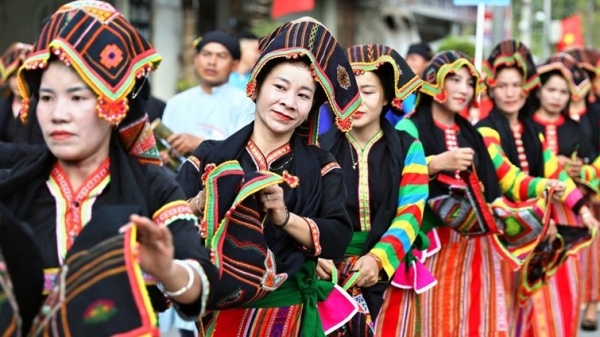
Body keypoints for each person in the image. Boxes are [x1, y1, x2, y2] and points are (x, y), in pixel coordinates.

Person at [0, 1, 217, 335]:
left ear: (112, 103)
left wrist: (168, 270)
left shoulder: (153, 188)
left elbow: (199, 284)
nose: (59, 113)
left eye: (77, 97)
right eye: (46, 98)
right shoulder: (15, 191)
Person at [176, 17, 359, 336]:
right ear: (256, 86)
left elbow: (338, 238)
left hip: (284, 318)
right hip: (216, 319)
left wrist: (285, 218)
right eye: (279, 87)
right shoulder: (209, 155)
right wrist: (199, 204)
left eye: (304, 96)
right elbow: (166, 227)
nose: (289, 102)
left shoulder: (321, 165)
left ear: (311, 107)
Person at [395, 50, 566, 337]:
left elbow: (501, 183)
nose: (463, 89)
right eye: (455, 80)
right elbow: (393, 178)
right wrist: (436, 164)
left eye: (469, 83)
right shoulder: (408, 126)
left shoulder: (471, 132)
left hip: (472, 247)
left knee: (471, 318)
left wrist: (544, 191)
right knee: (429, 321)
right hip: (428, 244)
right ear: (435, 81)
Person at [476, 40, 597, 337]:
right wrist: (548, 188)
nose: (509, 92)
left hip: (540, 227)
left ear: (526, 88)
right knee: (504, 310)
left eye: (515, 85)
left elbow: (553, 169)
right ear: (492, 88)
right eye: (502, 85)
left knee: (545, 305)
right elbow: (507, 177)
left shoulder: (530, 130)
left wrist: (582, 209)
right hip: (506, 232)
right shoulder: (485, 129)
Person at [318, 44, 428, 336]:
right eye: (350, 91)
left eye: (367, 92)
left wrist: (379, 258)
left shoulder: (409, 148)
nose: (358, 101)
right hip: (328, 272)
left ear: (386, 98)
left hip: (389, 266)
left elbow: (411, 212)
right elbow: (305, 210)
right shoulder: (317, 148)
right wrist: (314, 254)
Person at [161, 29, 255, 160]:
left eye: (221, 56)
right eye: (206, 54)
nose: (212, 61)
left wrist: (199, 144)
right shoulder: (176, 103)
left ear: (234, 65)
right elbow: (164, 147)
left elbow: (244, 152)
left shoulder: (245, 104)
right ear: (196, 59)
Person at [0, 42, 47, 168]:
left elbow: (43, 151)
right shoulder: (3, 105)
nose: (17, 82)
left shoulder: (42, 107)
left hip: (29, 172)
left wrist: (5, 151)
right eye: (14, 76)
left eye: (22, 76)